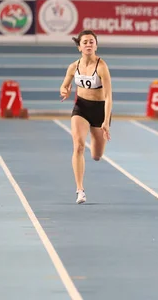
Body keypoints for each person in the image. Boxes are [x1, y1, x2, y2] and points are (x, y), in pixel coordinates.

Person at [59, 30, 113, 204]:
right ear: (79, 47)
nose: (89, 44)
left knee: (97, 155)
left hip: (100, 110)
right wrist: (64, 90)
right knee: (79, 146)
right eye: (85, 42)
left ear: (96, 45)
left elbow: (109, 96)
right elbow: (64, 85)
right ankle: (80, 190)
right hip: (81, 108)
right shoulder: (73, 67)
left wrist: (106, 121)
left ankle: (94, 133)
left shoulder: (102, 66)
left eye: (92, 42)